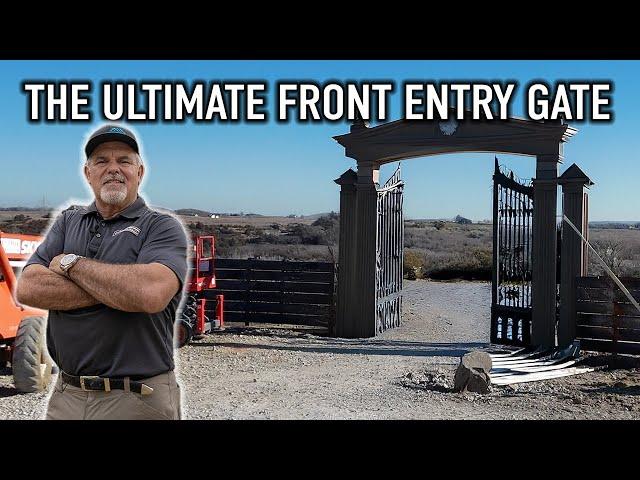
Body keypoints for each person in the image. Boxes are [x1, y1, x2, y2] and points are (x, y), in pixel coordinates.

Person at [16, 124, 188, 420]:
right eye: (102, 161)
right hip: (66, 396)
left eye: (124, 161)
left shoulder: (160, 226)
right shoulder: (69, 221)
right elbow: (28, 287)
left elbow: (150, 294)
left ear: (140, 172)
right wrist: (119, 289)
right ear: (88, 173)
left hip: (137, 398)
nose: (113, 169)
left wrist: (70, 264)